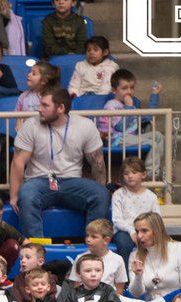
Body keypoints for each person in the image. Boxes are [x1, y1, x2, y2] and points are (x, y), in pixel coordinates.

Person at [9, 87, 109, 239]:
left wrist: (101, 188)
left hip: (72, 181)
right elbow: (18, 161)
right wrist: (14, 195)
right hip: (39, 180)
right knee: (27, 194)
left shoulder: (85, 126)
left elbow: (98, 163)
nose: (39, 109)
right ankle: (37, 249)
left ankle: (93, 247)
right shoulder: (31, 125)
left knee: (100, 194)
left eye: (45, 105)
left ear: (61, 108)